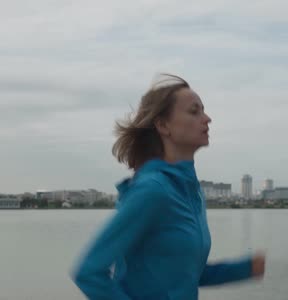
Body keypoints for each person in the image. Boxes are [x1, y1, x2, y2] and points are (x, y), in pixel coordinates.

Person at [71, 74, 265, 299]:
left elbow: (185, 273)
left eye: (203, 110)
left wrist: (248, 269)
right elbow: (88, 272)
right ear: (163, 125)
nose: (207, 118)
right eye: (194, 111)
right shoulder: (152, 190)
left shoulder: (191, 193)